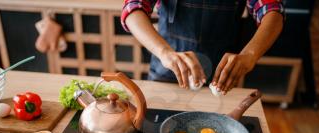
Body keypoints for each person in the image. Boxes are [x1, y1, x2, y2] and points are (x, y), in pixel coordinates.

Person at [121, 0, 284, 94]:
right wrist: (164, 52)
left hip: (223, 76)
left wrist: (250, 55)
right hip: (166, 71)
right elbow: (133, 7)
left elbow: (273, 11)